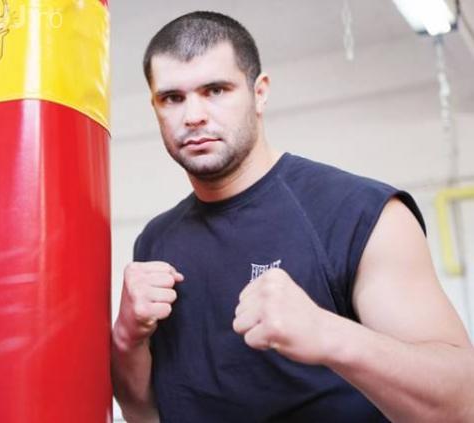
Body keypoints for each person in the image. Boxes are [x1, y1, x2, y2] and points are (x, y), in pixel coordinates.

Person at [111, 11, 474, 423]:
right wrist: (126, 335)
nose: (193, 115)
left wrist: (329, 333)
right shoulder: (156, 241)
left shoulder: (359, 213)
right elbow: (143, 411)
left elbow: (462, 404)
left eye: (215, 90)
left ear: (259, 93)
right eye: (172, 98)